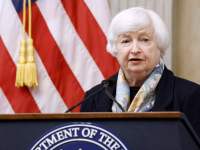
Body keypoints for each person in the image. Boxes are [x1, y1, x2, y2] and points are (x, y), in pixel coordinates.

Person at [80, 7, 200, 138]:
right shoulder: (94, 98)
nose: (135, 49)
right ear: (115, 48)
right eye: (126, 41)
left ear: (159, 46)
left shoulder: (191, 96)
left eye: (144, 40)